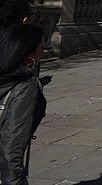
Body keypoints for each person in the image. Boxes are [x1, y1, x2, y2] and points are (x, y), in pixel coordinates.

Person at [0, 23, 46, 185]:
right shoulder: (25, 87)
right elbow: (12, 142)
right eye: (41, 46)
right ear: (29, 55)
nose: (43, 51)